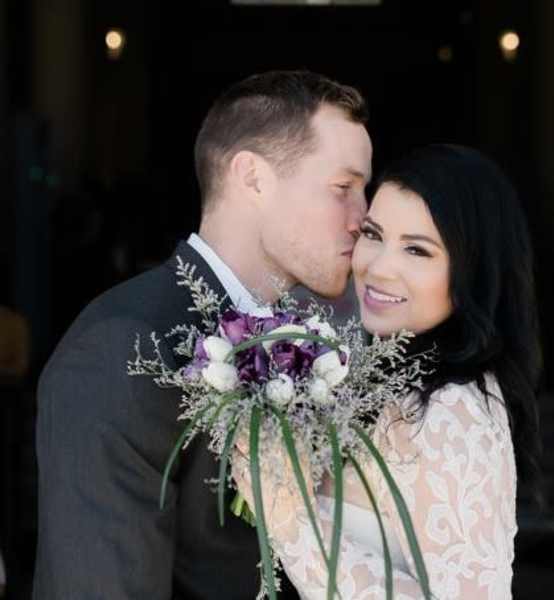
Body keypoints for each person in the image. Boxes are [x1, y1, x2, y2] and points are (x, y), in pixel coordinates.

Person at [33, 70, 372, 599]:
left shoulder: (311, 347)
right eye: (343, 188)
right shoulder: (123, 348)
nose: (363, 218)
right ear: (252, 178)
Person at [232, 144, 542, 599]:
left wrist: (290, 521)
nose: (377, 267)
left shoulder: (454, 409)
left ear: (471, 272)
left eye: (417, 250)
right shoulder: (386, 382)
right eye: (373, 234)